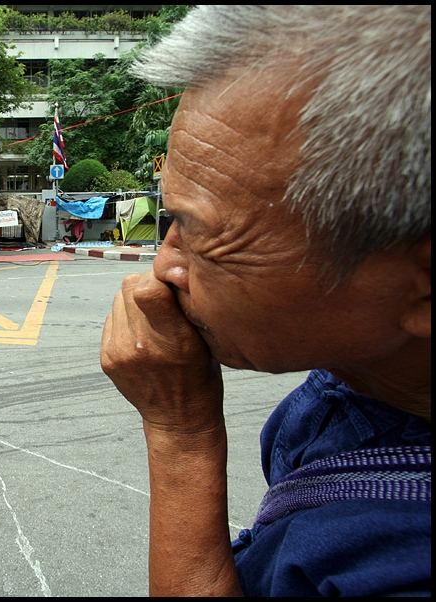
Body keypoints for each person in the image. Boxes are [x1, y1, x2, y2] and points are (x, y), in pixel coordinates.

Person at [99, 5, 430, 597]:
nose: (165, 266)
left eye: (200, 234)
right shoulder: (363, 373)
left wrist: (181, 432)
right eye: (168, 219)